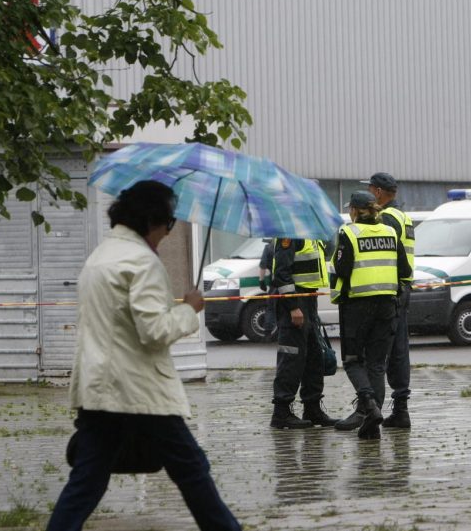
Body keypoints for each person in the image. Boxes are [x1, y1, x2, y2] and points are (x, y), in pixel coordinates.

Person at [46, 180, 241, 531]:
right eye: (168, 225)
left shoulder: (100, 257)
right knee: (192, 469)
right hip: (138, 389)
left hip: (97, 386)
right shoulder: (142, 263)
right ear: (152, 220)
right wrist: (190, 309)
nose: (167, 234)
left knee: (87, 480)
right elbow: (154, 333)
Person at [331, 190, 411, 439]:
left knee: (353, 360)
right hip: (387, 305)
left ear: (354, 210)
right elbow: (404, 269)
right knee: (377, 365)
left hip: (357, 306)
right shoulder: (390, 232)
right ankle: (371, 426)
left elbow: (342, 269)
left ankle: (368, 404)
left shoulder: (349, 233)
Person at [262, 235, 336, 429]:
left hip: (309, 300)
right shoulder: (290, 235)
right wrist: (293, 306)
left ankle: (312, 409)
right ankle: (281, 412)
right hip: (294, 303)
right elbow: (281, 274)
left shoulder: (311, 237)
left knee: (313, 358)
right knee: (291, 359)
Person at [364, 172, 415, 429]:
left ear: (379, 193)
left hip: (390, 292)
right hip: (403, 290)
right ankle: (401, 409)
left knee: (381, 352)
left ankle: (373, 409)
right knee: (399, 351)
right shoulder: (403, 217)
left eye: (371, 190)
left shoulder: (385, 219)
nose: (369, 195)